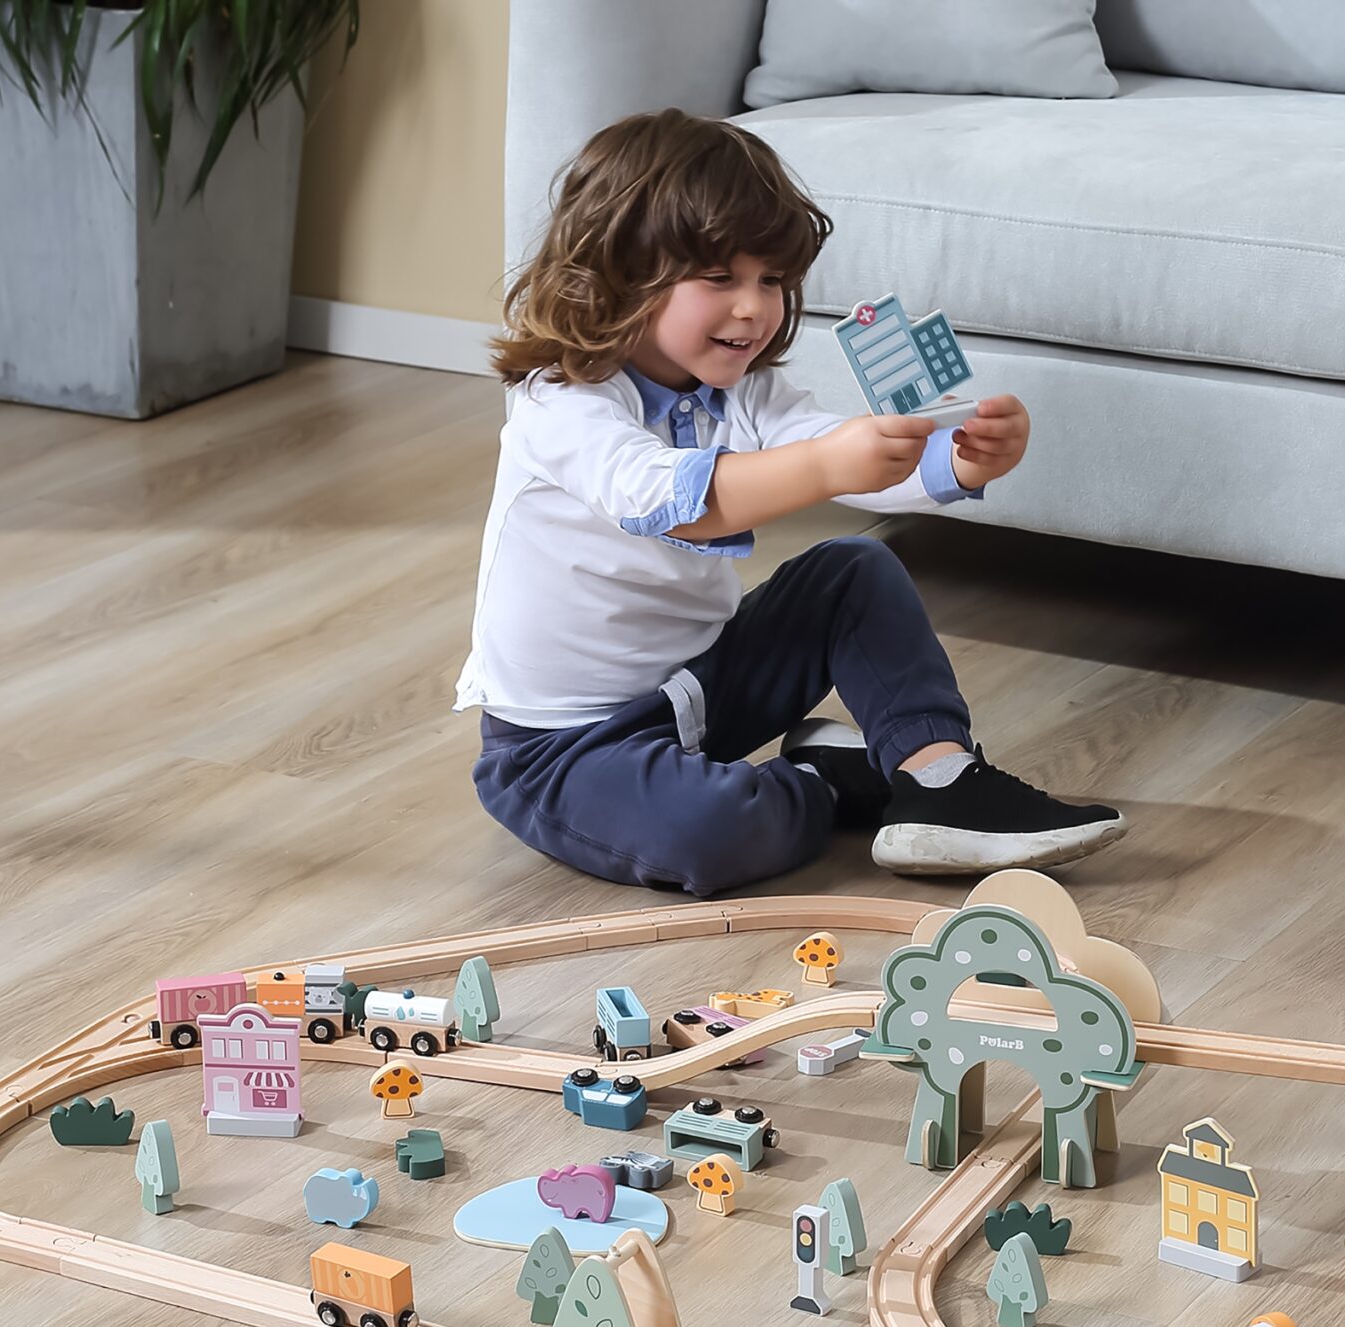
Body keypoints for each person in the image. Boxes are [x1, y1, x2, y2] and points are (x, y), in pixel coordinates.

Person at [455, 109, 1124, 894]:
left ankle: (938, 778)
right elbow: (670, 498)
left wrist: (956, 457)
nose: (754, 306)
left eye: (770, 280)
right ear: (620, 271)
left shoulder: (743, 390)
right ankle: (826, 781)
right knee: (710, 833)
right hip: (563, 745)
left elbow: (830, 447)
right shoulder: (561, 401)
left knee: (855, 570)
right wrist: (826, 462)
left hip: (702, 688)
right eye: (720, 279)